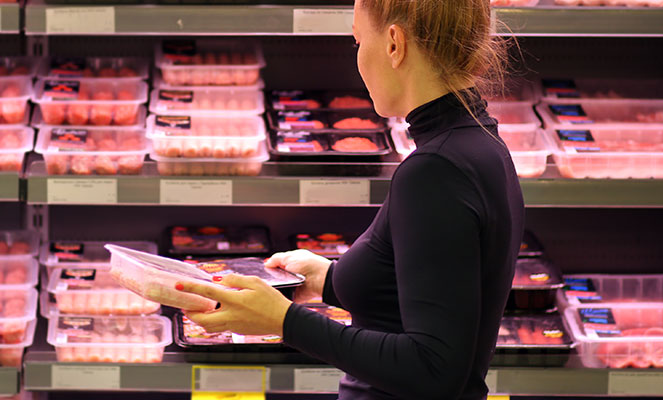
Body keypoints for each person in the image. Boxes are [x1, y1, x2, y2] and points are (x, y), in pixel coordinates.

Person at [174, 0, 524, 399]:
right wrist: (327, 279)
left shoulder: (435, 171)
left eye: (358, 40)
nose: (357, 58)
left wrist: (283, 320)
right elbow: (439, 294)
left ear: (394, 44)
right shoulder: (480, 144)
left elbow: (434, 369)